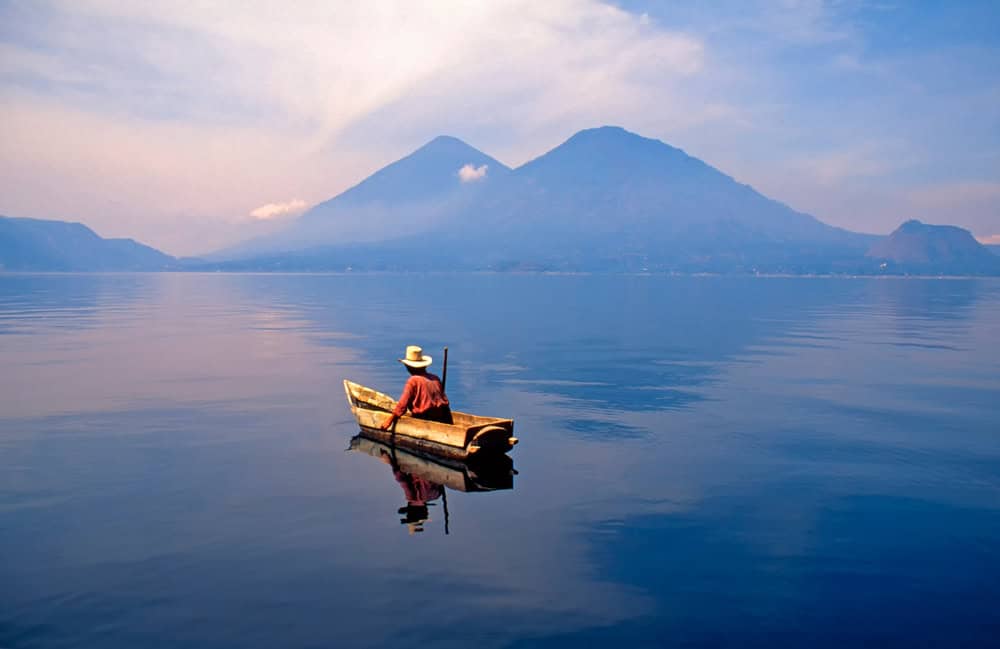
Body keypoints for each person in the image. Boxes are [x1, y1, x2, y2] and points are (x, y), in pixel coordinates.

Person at [380, 345, 452, 430]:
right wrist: (450, 423)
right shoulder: (435, 378)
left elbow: (402, 405)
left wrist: (389, 420)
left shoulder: (413, 381)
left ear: (408, 367)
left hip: (424, 419)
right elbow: (445, 405)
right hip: (441, 417)